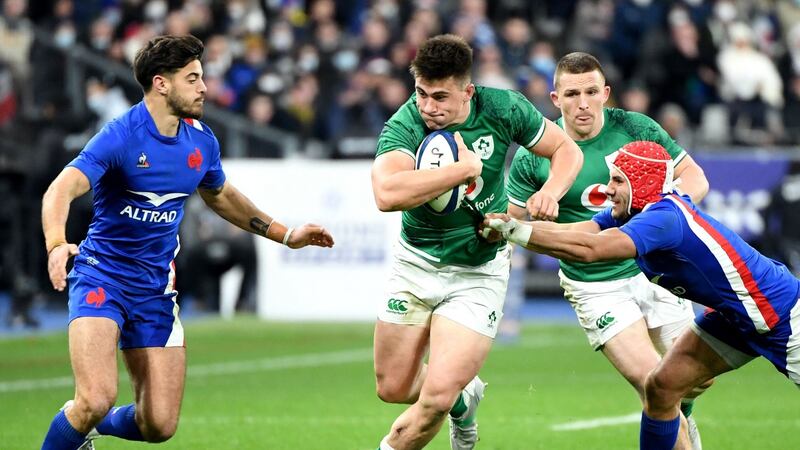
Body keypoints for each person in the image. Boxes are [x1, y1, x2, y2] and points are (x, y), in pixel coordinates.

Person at [40, 35, 334, 450]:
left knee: (158, 425)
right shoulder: (120, 136)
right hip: (101, 277)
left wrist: (285, 234)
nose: (204, 88)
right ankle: (81, 418)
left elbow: (222, 196)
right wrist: (56, 244)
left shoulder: (201, 141)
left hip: (155, 290)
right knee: (96, 396)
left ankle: (88, 425)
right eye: (193, 78)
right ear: (162, 84)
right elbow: (60, 190)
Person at [482, 140, 800, 450]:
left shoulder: (663, 218)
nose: (607, 189)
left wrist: (516, 233)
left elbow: (591, 250)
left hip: (782, 315)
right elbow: (583, 232)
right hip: (734, 317)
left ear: (642, 182)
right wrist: (512, 224)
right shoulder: (632, 214)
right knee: (661, 388)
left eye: (617, 180)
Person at [371, 34, 583, 450]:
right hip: (415, 264)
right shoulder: (406, 123)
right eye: (421, 93)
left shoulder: (503, 108)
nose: (429, 107)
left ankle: (448, 396)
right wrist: (462, 169)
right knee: (393, 389)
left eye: (440, 97)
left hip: (477, 270)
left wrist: (550, 193)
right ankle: (465, 396)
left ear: (468, 91)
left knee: (434, 399)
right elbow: (386, 194)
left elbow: (566, 151)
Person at [504, 52, 710, 449]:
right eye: (573, 93)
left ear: (606, 93)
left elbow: (695, 178)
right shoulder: (535, 153)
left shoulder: (635, 129)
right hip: (596, 286)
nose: (583, 103)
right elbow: (511, 223)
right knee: (657, 383)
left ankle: (684, 418)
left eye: (592, 92)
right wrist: (530, 217)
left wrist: (663, 216)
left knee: (695, 382)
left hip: (657, 272)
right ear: (555, 98)